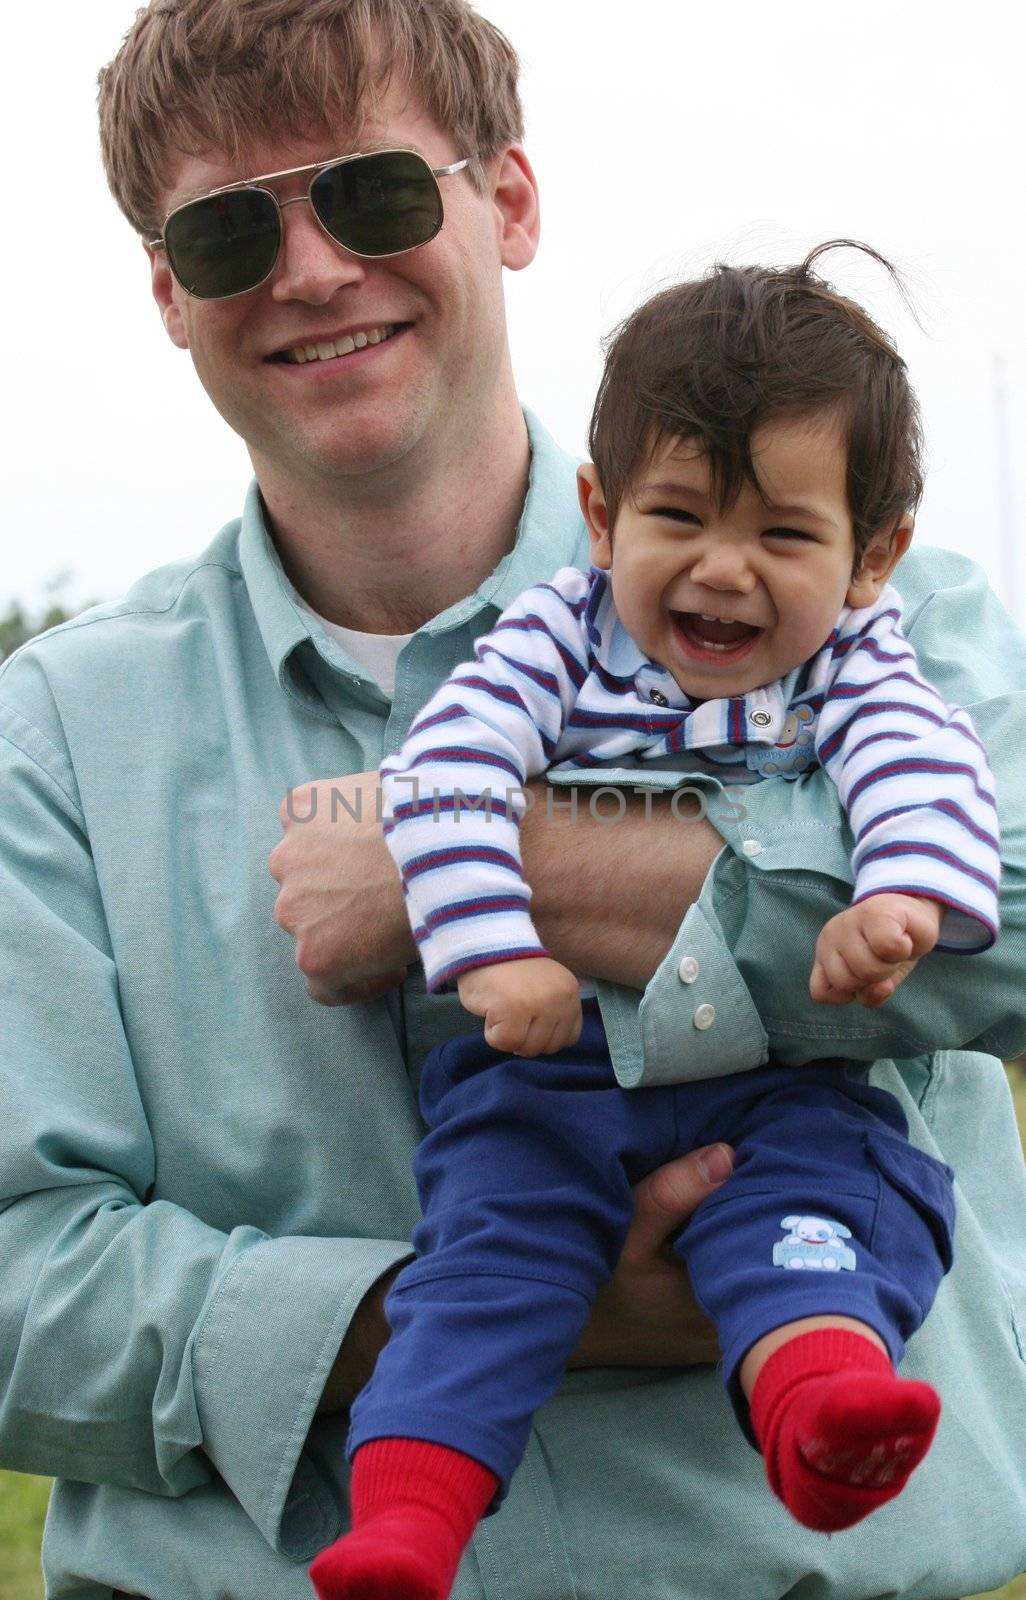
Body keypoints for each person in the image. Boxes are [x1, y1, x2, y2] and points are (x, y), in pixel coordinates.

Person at [0, 2, 1024, 1597]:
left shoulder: (893, 615)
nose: (313, 269)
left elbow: (1009, 930)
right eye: (221, 230)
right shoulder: (52, 739)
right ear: (165, 292)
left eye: (373, 193)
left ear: (513, 202)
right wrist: (443, 1311)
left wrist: (494, 866)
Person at [305, 253, 993, 1599]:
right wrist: (492, 946)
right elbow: (444, 775)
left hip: (778, 1084)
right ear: (600, 515)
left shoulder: (857, 661)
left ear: (870, 556)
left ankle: (820, 1413)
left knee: (828, 1214)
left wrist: (899, 898)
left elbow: (925, 767)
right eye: (677, 516)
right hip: (552, 1073)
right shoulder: (552, 638)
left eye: (784, 538)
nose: (722, 573)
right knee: (488, 1252)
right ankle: (403, 1522)